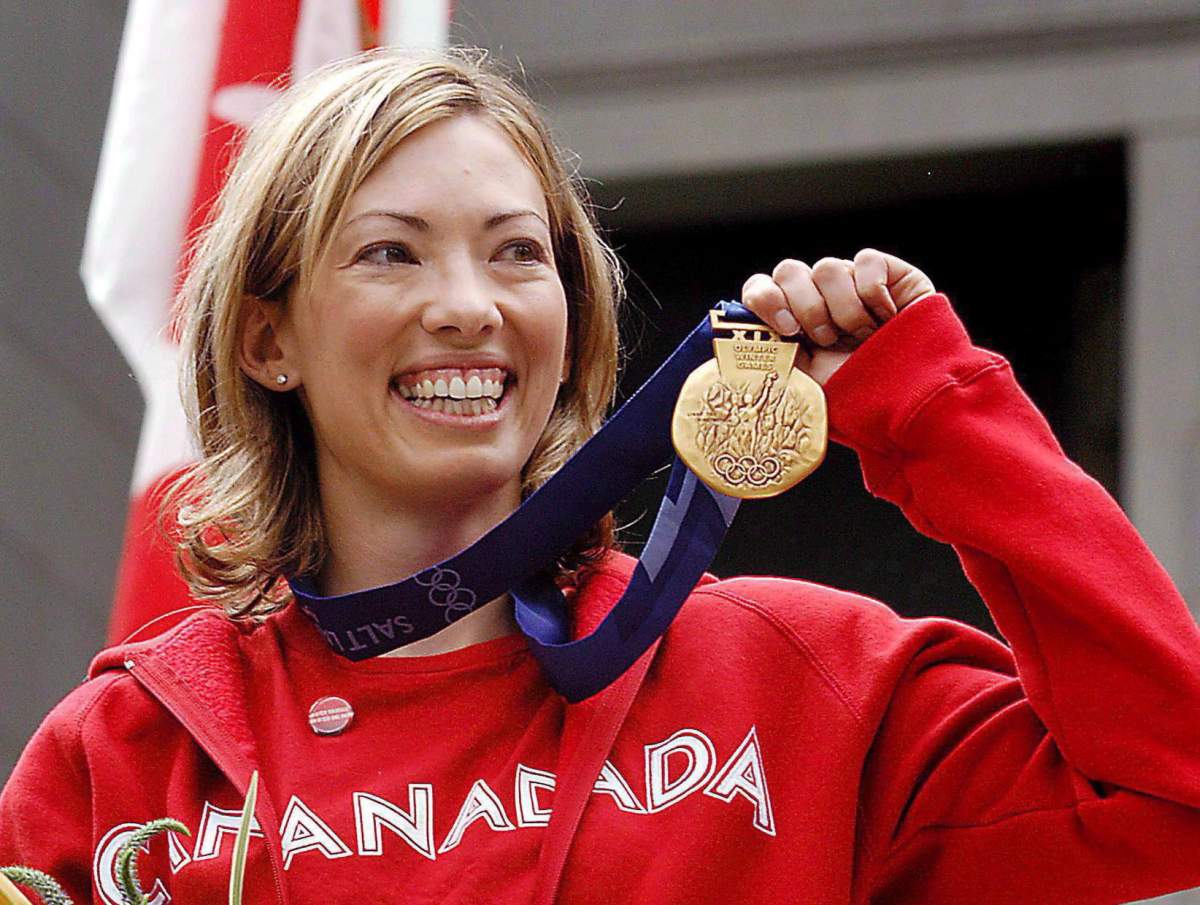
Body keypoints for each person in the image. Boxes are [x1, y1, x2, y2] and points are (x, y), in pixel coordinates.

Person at [2, 46, 1199, 905]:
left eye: (520, 253)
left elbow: (1172, 782)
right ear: (268, 339)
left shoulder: (795, 687)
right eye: (389, 252)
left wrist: (931, 408)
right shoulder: (135, 756)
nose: (469, 306)